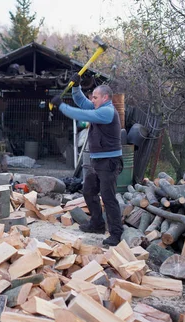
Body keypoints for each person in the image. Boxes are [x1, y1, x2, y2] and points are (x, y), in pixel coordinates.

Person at [51, 75, 124, 246]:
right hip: (96, 160)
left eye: (96, 97)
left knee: (108, 197)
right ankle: (97, 224)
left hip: (109, 162)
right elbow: (83, 103)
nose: (93, 99)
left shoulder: (107, 111)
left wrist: (62, 106)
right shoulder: (99, 107)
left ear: (105, 97)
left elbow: (81, 113)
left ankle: (116, 233)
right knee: (89, 191)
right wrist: (76, 88)